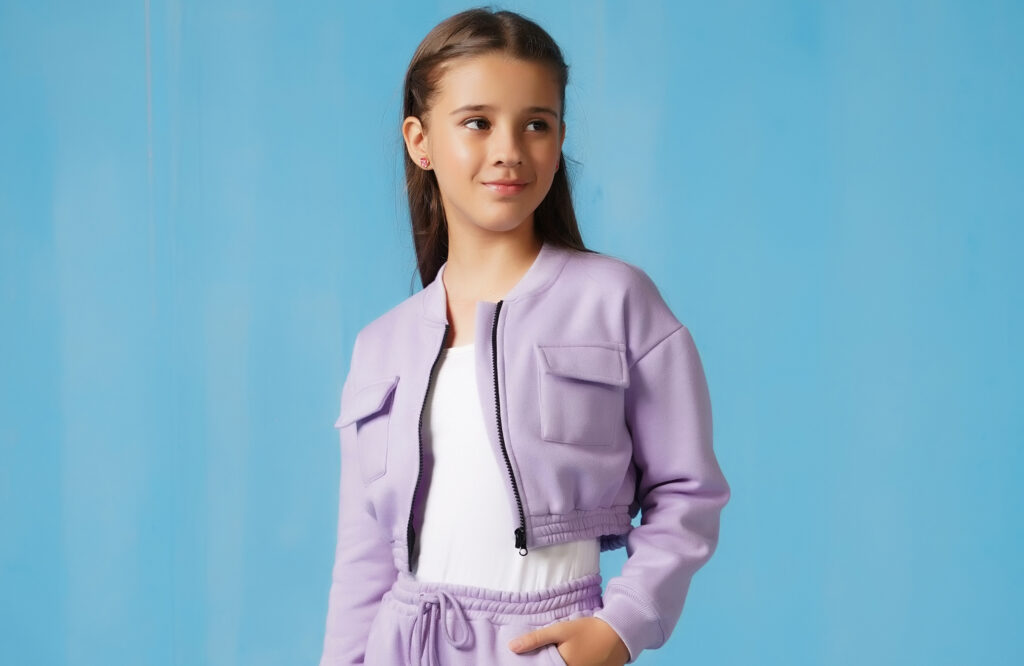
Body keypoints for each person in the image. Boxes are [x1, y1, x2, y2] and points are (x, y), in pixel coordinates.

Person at [318, 7, 730, 665]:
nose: (509, 149)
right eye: (477, 122)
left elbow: (689, 490)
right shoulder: (380, 345)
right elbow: (363, 557)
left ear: (559, 138)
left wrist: (620, 627)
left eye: (536, 124)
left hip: (540, 644)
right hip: (404, 643)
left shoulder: (617, 301)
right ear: (420, 141)